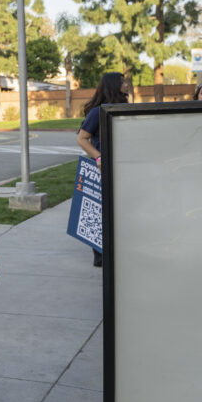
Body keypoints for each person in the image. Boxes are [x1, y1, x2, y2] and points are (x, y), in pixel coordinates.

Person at [76, 72, 128, 268]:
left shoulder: (124, 108)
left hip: (122, 166)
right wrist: (99, 157)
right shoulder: (98, 112)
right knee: (101, 211)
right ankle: (100, 255)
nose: (126, 84)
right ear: (114, 85)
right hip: (103, 171)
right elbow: (82, 139)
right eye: (122, 82)